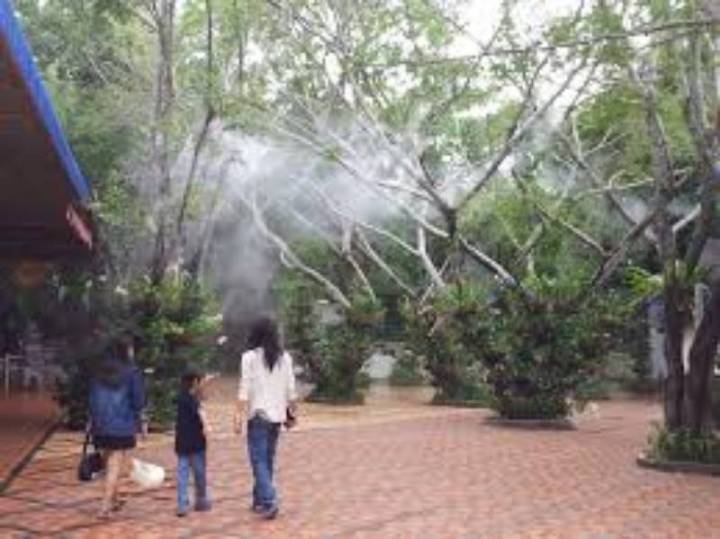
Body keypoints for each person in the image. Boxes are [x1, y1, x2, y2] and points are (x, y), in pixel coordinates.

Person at [234, 316, 298, 520]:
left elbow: (244, 390)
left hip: (259, 416)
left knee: (258, 460)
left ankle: (269, 500)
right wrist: (293, 414)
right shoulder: (285, 357)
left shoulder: (249, 357)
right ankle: (259, 500)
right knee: (267, 459)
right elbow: (291, 391)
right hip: (277, 418)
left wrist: (237, 416)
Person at [88, 336, 145, 519]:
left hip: (100, 425)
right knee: (114, 465)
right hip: (122, 426)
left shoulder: (97, 372)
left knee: (108, 461)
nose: (132, 352)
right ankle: (105, 507)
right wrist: (141, 423)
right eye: (130, 348)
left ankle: (114, 498)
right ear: (125, 351)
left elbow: (91, 399)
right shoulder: (132, 373)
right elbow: (139, 402)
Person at [175, 369, 212, 517]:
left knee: (182, 473)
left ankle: (182, 503)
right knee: (199, 473)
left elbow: (201, 397)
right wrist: (207, 427)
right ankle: (201, 500)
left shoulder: (181, 397)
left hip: (182, 442)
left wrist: (204, 384)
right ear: (195, 382)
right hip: (196, 442)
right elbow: (201, 412)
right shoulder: (193, 400)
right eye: (200, 381)